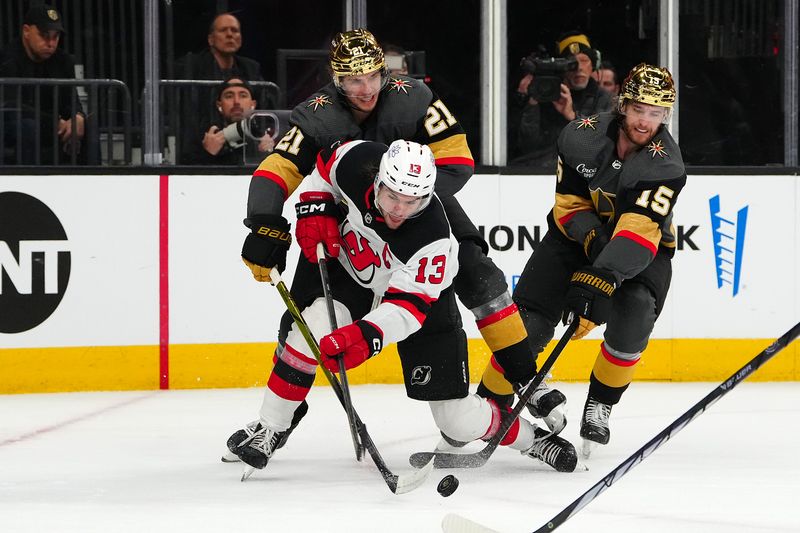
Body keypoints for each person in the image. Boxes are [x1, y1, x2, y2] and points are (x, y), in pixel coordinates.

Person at [236, 28, 569, 456]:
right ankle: (278, 422)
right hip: (349, 220)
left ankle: (525, 375)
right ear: (336, 79)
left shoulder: (414, 96)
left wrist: (410, 200)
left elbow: (457, 161)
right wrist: (268, 222)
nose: (367, 88)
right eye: (354, 80)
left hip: (420, 206)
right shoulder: (316, 114)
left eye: (373, 76)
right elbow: (280, 169)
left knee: (480, 279)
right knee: (303, 320)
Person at [227, 139, 578, 476]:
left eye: (412, 201)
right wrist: (316, 204)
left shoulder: (435, 240)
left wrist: (366, 336)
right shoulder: (356, 161)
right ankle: (270, 427)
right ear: (377, 179)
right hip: (352, 279)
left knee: (456, 419)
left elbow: (407, 309)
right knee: (307, 331)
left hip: (422, 307)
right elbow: (323, 171)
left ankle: (535, 440)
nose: (398, 209)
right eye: (392, 195)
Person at [511, 63, 687, 458]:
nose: (646, 121)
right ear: (623, 105)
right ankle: (503, 394)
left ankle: (602, 401)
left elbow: (638, 233)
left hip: (643, 247)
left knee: (637, 311)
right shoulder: (580, 137)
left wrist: (600, 279)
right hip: (574, 238)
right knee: (528, 322)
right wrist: (591, 238)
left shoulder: (667, 166)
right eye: (640, 109)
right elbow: (568, 204)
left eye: (657, 113)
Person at [174, 13, 272, 161]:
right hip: (204, 142)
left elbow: (266, 107)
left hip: (245, 141)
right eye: (223, 30)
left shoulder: (250, 68)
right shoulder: (192, 66)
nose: (230, 35)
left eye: (234, 30)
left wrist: (264, 137)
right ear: (211, 39)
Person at [510, 31, 613, 169]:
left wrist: (572, 116)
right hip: (540, 173)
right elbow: (527, 147)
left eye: (584, 61)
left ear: (593, 65)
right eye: (571, 63)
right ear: (561, 67)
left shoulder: (605, 99)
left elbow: (603, 147)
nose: (579, 68)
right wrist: (531, 102)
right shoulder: (545, 93)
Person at [0, 4, 85, 164]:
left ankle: (97, 181)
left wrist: (78, 116)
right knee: (28, 127)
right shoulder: (8, 60)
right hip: (15, 126)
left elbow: (71, 99)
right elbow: (12, 106)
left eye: (56, 36)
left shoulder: (63, 61)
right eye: (44, 35)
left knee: (87, 127)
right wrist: (54, 122)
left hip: (52, 126)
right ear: (26, 31)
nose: (51, 43)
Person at [183, 77, 274, 165]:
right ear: (219, 105)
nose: (236, 101)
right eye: (229, 96)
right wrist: (208, 154)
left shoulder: (262, 136)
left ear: (253, 104)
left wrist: (268, 154)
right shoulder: (204, 137)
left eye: (243, 95)